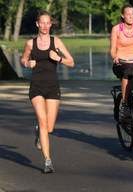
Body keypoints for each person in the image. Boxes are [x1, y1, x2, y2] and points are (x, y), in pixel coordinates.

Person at [20, 10, 74, 173]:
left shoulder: (56, 42)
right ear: (37, 24)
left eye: (47, 23)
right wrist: (27, 63)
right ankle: (47, 161)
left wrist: (59, 59)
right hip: (36, 86)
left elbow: (71, 62)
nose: (44, 26)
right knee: (43, 122)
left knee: (49, 127)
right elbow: (23, 59)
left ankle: (39, 133)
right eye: (41, 23)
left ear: (50, 25)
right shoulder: (31, 43)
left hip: (52, 87)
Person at [110, 4, 133, 120]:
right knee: (128, 71)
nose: (131, 17)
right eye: (128, 14)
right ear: (123, 15)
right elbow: (112, 49)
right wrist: (115, 57)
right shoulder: (116, 29)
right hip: (121, 62)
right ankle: (125, 103)